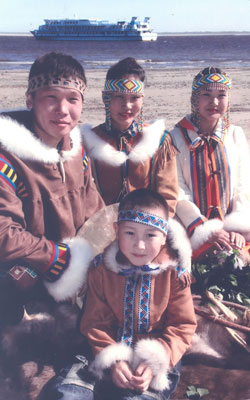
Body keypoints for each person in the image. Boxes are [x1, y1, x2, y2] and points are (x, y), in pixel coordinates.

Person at [48, 188, 196, 400]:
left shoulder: (174, 274)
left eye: (151, 235)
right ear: (116, 230)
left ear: (164, 237)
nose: (140, 245)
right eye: (130, 233)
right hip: (102, 347)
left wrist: (154, 363)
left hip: (154, 355)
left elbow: (182, 325)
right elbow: (94, 322)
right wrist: (112, 359)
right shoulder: (101, 269)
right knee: (69, 393)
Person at [0, 52, 104, 327]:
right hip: (26, 281)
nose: (62, 109)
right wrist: (60, 259)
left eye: (72, 99)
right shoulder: (7, 157)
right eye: (51, 98)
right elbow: (4, 234)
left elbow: (96, 214)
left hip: (73, 277)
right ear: (30, 100)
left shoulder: (77, 151)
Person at [81, 57, 178, 217]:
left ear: (142, 99)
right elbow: (84, 196)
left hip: (148, 226)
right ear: (106, 99)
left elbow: (168, 196)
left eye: (134, 98)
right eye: (119, 97)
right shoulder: (89, 141)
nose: (127, 106)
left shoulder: (159, 140)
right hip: (101, 228)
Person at [170, 67, 250, 257]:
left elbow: (243, 185)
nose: (214, 102)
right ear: (195, 98)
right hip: (193, 230)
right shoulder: (175, 137)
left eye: (221, 95)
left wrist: (237, 228)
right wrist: (204, 228)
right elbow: (178, 189)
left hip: (234, 231)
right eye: (206, 94)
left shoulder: (235, 134)